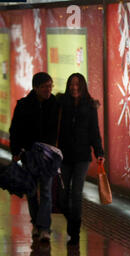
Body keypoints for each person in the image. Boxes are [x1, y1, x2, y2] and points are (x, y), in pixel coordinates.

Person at [9, 72, 59, 242]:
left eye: (50, 86)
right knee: (31, 191)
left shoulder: (55, 104)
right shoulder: (23, 105)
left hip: (48, 155)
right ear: (36, 88)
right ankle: (37, 224)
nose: (49, 89)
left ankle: (44, 228)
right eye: (45, 86)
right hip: (29, 154)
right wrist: (16, 152)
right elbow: (14, 130)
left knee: (45, 191)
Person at [56, 73, 104, 246]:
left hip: (82, 157)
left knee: (76, 193)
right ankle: (73, 222)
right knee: (62, 195)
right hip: (63, 155)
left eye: (77, 85)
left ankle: (74, 231)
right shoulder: (60, 103)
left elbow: (94, 131)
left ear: (83, 86)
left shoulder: (90, 107)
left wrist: (99, 152)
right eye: (71, 84)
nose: (74, 87)